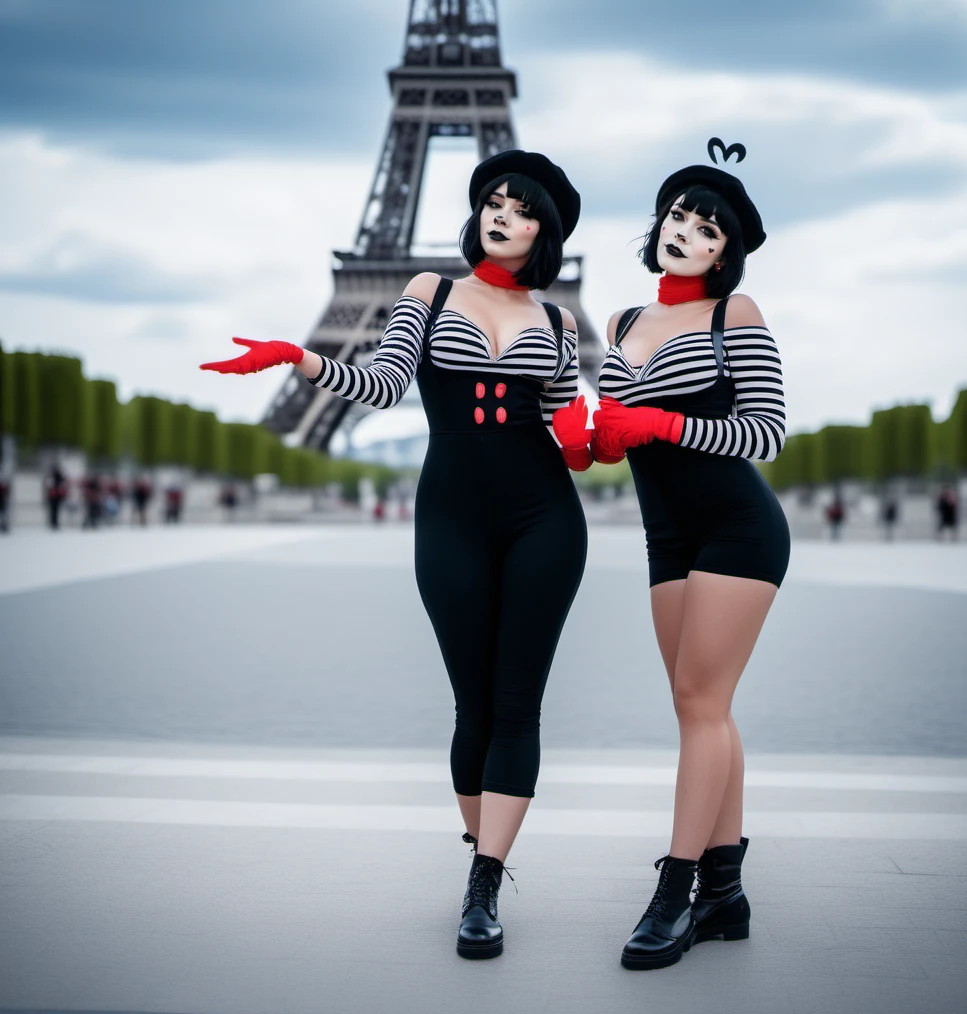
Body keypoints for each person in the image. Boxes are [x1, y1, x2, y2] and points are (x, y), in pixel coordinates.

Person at [202, 151, 588, 960]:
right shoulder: (428, 290)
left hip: (545, 515)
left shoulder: (556, 323)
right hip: (450, 514)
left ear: (543, 232)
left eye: (519, 208)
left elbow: (570, 433)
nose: (499, 212)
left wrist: (622, 430)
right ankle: (479, 858)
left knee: (518, 705)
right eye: (492, 199)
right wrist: (297, 357)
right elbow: (382, 384)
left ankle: (485, 880)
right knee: (472, 704)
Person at [557, 143, 788, 970]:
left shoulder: (737, 316)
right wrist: (584, 445)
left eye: (708, 228)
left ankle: (678, 891)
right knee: (703, 708)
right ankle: (727, 893)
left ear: (727, 253)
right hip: (668, 536)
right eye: (679, 218)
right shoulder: (620, 323)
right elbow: (612, 441)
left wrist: (661, 424)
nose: (686, 232)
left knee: (699, 700)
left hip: (738, 528)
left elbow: (763, 431)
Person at [44, 464, 68, 530]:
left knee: (56, 510)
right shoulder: (51, 476)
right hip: (53, 496)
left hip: (57, 496)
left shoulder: (59, 477)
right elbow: (48, 486)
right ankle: (53, 523)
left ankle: (55, 523)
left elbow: (63, 486)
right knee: (53, 510)